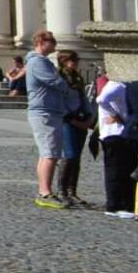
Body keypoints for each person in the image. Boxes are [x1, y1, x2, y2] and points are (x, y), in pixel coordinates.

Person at [25, 31, 71, 209]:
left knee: (47, 153)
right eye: (52, 42)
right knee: (51, 153)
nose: (55, 45)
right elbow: (56, 82)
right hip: (44, 111)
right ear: (42, 42)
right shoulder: (38, 62)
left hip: (48, 110)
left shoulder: (40, 62)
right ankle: (45, 193)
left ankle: (44, 190)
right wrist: (64, 83)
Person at [55, 50, 95, 209]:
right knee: (69, 155)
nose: (76, 63)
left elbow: (83, 97)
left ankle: (72, 191)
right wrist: (71, 119)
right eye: (73, 60)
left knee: (77, 157)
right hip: (67, 120)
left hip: (81, 118)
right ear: (64, 61)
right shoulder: (59, 78)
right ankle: (61, 191)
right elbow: (59, 101)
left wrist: (89, 116)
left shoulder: (77, 78)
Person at [99, 76, 138, 219]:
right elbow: (101, 100)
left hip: (120, 132)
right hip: (114, 132)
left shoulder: (122, 85)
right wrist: (114, 114)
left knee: (122, 169)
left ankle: (122, 203)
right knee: (115, 170)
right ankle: (114, 205)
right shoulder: (116, 84)